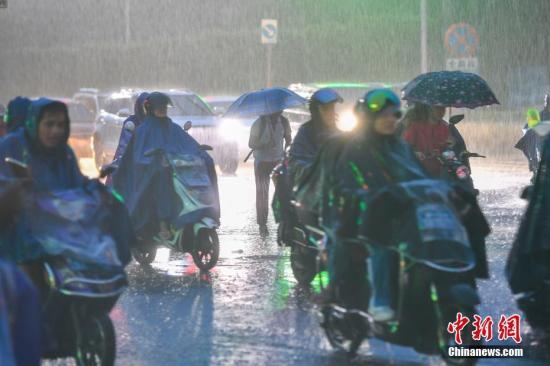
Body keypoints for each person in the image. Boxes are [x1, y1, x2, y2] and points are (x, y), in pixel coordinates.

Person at [296, 89, 427, 320]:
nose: (390, 120)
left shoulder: (399, 147)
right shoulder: (349, 146)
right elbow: (343, 181)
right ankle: (378, 299)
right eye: (383, 115)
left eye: (394, 115)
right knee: (382, 245)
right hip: (353, 212)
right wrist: (364, 195)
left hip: (389, 211)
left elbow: (416, 176)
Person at [112, 92, 220, 241]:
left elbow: (183, 143)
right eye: (159, 107)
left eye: (164, 107)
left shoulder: (172, 127)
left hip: (172, 165)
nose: (163, 110)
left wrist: (198, 151)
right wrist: (153, 160)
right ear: (150, 108)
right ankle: (163, 222)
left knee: (207, 162)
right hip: (149, 170)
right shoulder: (142, 130)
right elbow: (136, 156)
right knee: (162, 174)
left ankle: (207, 210)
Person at [0, 98, 85, 190]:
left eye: (61, 125)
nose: (55, 131)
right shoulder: (11, 145)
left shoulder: (65, 153)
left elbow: (80, 186)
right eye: (49, 124)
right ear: (35, 124)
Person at [248, 110, 292, 235]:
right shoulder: (259, 123)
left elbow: (289, 140)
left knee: (283, 193)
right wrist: (264, 144)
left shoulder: (284, 122)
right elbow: (251, 143)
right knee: (262, 194)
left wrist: (286, 154)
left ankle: (284, 222)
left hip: (278, 163)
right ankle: (262, 224)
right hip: (262, 163)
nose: (280, 112)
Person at [288, 88, 343, 183]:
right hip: (311, 192)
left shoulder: (339, 134)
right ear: (316, 111)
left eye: (332, 108)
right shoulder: (305, 132)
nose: (330, 113)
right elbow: (295, 163)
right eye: (326, 109)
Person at [400, 103, 454, 177]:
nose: (441, 112)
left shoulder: (444, 127)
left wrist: (449, 147)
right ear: (430, 109)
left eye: (443, 108)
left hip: (440, 170)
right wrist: (416, 153)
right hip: (419, 169)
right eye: (437, 108)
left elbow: (448, 146)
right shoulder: (415, 126)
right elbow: (405, 146)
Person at [515, 108, 544, 182]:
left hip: (533, 150)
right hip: (531, 150)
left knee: (535, 163)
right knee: (534, 162)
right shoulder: (529, 127)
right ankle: (535, 176)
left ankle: (536, 176)